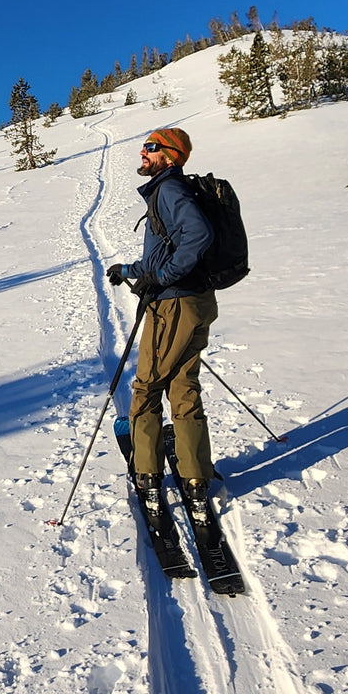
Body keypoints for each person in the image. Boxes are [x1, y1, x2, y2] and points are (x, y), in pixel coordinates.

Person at [105, 127, 220, 529]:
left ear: (169, 156)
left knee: (147, 386)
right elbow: (163, 254)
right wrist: (129, 271)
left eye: (151, 147)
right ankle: (195, 477)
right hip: (194, 301)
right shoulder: (169, 191)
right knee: (183, 386)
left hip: (173, 306)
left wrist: (165, 276)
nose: (144, 151)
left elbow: (197, 236)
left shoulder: (169, 191)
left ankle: (148, 474)